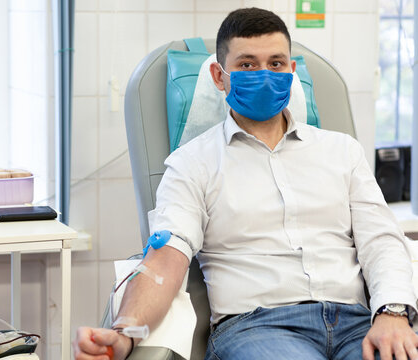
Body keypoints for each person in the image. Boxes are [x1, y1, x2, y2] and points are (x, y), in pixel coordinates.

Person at [74, 7, 418, 360]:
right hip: (259, 329)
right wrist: (125, 333)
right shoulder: (192, 164)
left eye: (276, 63)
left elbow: (382, 240)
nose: (265, 75)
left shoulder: (342, 151)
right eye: (248, 65)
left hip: (357, 323)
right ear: (219, 76)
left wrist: (393, 313)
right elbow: (164, 261)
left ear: (292, 71)